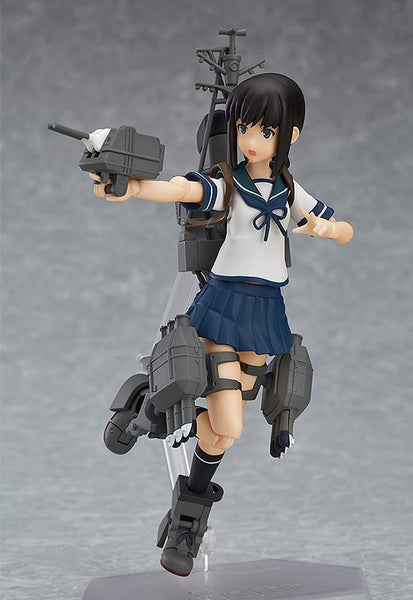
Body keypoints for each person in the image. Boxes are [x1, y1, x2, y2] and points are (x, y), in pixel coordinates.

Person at [91, 73, 353, 576]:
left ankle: (185, 513)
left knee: (219, 436)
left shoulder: (290, 190)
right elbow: (180, 188)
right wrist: (131, 188)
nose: (251, 141)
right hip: (225, 305)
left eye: (265, 131)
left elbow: (341, 228)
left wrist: (328, 228)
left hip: (266, 312)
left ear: (290, 135)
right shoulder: (229, 184)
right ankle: (152, 409)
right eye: (243, 128)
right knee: (228, 423)